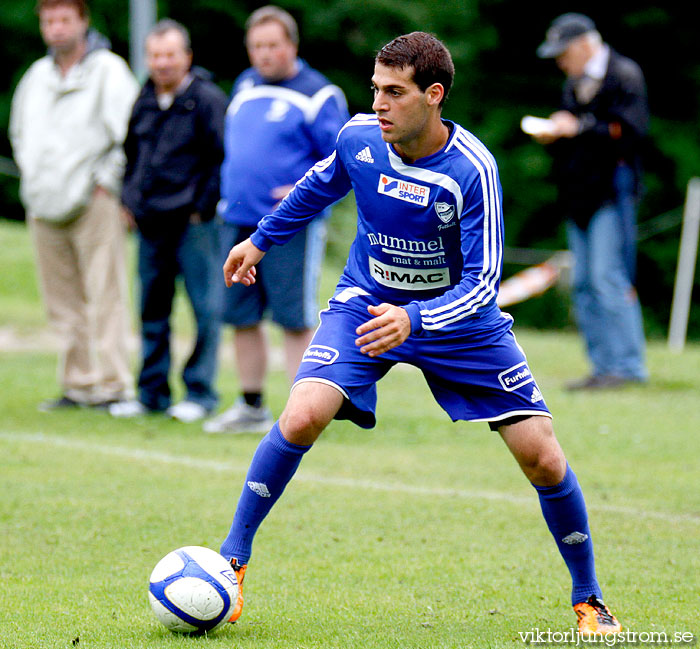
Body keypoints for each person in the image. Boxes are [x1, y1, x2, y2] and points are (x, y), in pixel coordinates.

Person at [217, 32, 622, 635]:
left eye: (394, 92)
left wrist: (418, 318)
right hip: (369, 302)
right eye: (375, 88)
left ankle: (589, 598)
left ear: (433, 96)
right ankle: (230, 563)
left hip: (461, 324)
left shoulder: (473, 169)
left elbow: (484, 282)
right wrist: (260, 238)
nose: (378, 103)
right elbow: (314, 189)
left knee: (542, 458)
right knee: (301, 414)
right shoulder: (358, 138)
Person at [203, 5, 349, 434]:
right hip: (237, 219)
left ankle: (304, 410)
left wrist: (301, 191)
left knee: (294, 317)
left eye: (272, 45)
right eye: (257, 46)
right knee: (241, 314)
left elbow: (340, 162)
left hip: (291, 227)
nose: (264, 54)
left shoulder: (320, 94)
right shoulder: (245, 85)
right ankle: (250, 406)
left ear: (292, 46)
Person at [9, 0, 138, 411]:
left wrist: (107, 183)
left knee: (106, 294)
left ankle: (114, 385)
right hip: (44, 203)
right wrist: (33, 180)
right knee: (61, 303)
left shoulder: (108, 71)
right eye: (49, 21)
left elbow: (130, 133)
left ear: (83, 22)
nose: (56, 28)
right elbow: (19, 133)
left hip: (93, 201)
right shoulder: (36, 77)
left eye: (65, 19)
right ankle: (78, 384)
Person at [108, 19, 227, 422]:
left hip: (194, 224)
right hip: (150, 223)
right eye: (155, 55)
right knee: (151, 310)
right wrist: (129, 200)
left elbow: (220, 158)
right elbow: (131, 156)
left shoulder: (207, 99)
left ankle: (200, 393)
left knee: (204, 308)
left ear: (187, 57)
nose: (162, 63)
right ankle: (151, 393)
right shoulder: (142, 99)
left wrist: (202, 207)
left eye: (170, 55)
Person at [531, 13, 648, 390]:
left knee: (606, 276)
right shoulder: (574, 81)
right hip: (578, 194)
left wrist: (577, 127)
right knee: (582, 282)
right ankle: (602, 368)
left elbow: (629, 132)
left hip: (612, 193)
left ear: (584, 45)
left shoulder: (624, 74)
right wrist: (559, 130)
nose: (561, 62)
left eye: (563, 54)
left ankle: (628, 368)